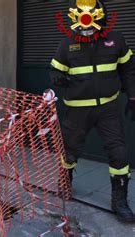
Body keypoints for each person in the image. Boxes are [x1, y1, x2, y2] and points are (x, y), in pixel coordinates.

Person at [50, 0, 135, 223]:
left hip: (108, 108)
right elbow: (55, 71)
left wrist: (133, 96)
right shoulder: (67, 43)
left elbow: (128, 68)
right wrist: (59, 79)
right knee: (69, 150)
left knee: (119, 154)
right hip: (77, 111)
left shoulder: (116, 40)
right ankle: (65, 183)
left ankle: (119, 201)